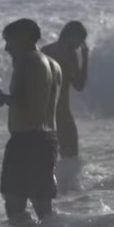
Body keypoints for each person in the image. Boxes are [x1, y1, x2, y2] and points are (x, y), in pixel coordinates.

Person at [0, 19, 62, 226]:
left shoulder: (27, 60)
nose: (6, 48)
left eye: (9, 41)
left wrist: (2, 98)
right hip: (49, 138)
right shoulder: (54, 64)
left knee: (14, 205)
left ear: (23, 37)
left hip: (26, 140)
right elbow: (41, 102)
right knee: (44, 208)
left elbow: (22, 101)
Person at [42, 21, 89, 160]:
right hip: (62, 115)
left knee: (47, 160)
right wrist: (85, 58)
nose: (80, 45)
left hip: (43, 116)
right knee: (70, 158)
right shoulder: (69, 52)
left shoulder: (45, 50)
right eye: (81, 40)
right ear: (73, 36)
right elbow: (79, 85)